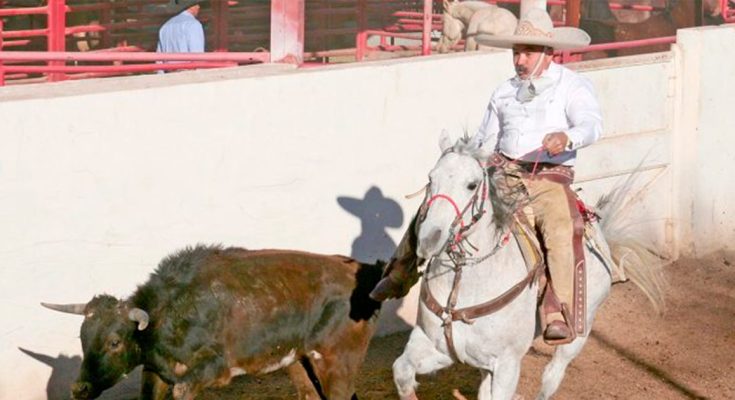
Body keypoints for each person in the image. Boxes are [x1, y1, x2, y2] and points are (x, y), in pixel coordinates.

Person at [370, 8, 601, 345]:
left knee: (559, 228)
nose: (519, 60)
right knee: (438, 200)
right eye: (516, 52)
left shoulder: (572, 86)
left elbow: (592, 124)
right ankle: (401, 270)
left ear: (547, 52)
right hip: (502, 172)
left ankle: (556, 309)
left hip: (548, 178)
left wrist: (568, 138)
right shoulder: (504, 91)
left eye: (527, 52)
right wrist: (462, 155)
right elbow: (484, 137)